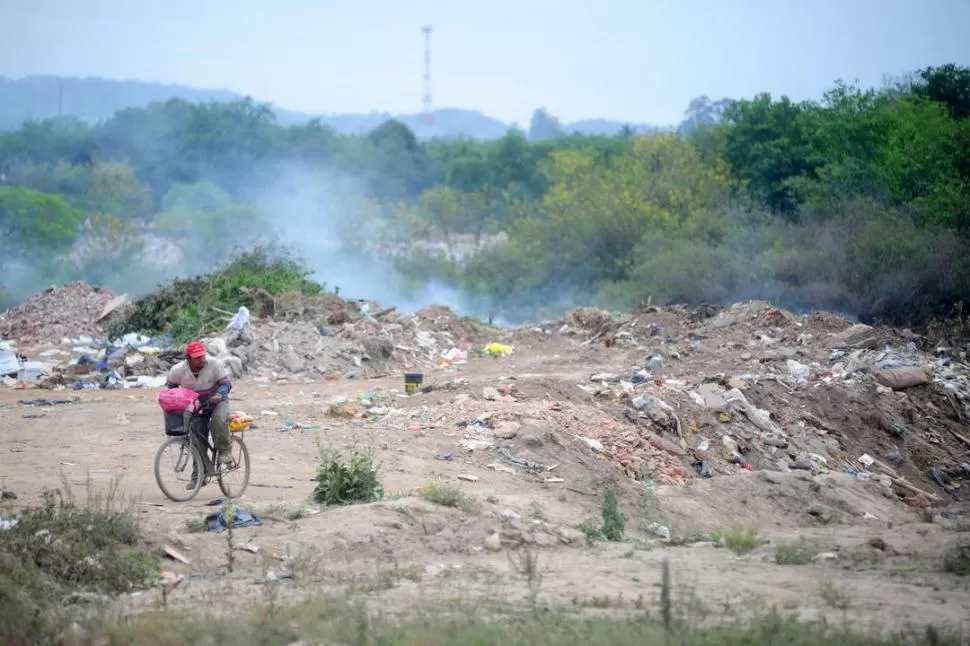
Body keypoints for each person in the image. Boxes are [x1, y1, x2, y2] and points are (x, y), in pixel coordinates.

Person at [166, 340, 234, 472]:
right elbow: (172, 389)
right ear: (188, 358)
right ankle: (201, 473)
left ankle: (225, 451)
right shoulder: (177, 371)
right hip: (197, 406)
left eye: (202, 356)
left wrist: (219, 394)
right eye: (197, 358)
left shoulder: (214, 364)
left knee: (219, 420)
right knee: (195, 435)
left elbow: (226, 383)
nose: (201, 359)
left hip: (217, 401)